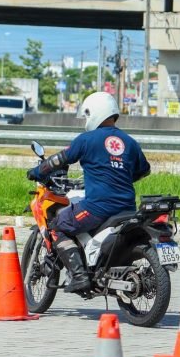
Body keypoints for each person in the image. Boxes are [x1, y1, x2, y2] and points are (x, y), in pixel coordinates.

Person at [26, 91, 150, 293]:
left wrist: (37, 171)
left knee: (58, 226)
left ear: (94, 113)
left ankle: (79, 276)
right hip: (127, 208)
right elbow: (144, 170)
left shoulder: (86, 139)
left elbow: (60, 159)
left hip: (97, 207)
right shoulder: (130, 142)